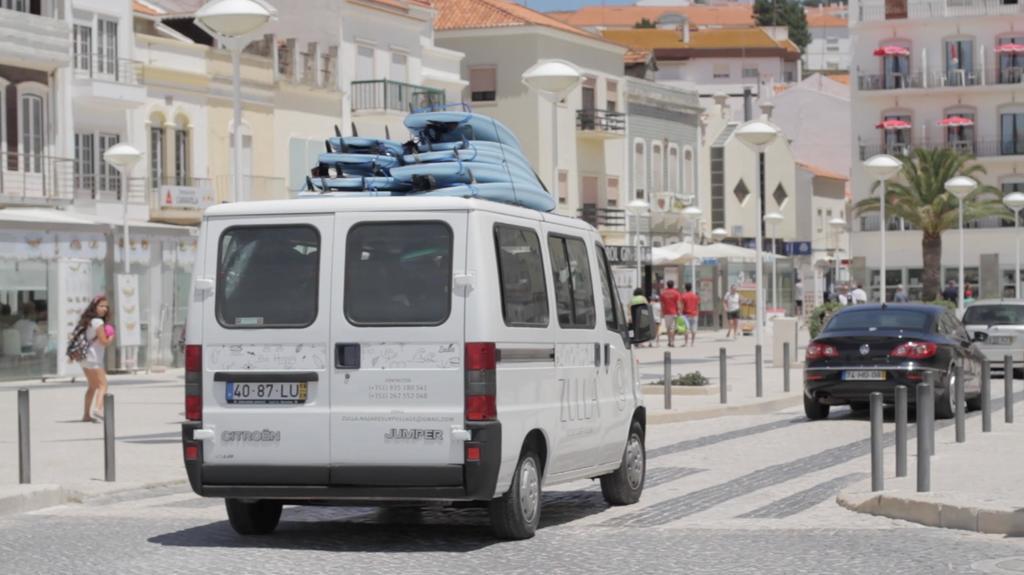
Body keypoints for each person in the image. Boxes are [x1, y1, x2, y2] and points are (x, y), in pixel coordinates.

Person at [72, 295, 114, 423]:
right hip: (94, 357)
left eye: (106, 306)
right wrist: (111, 335)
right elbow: (104, 341)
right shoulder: (98, 322)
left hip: (83, 357)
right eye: (101, 306)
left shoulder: (86, 320)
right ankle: (98, 409)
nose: (104, 309)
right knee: (103, 385)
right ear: (94, 307)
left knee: (92, 386)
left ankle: (86, 415)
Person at [659, 280, 683, 347]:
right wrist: (679, 311)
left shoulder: (663, 293)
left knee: (668, 328)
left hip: (666, 313)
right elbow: (678, 303)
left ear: (667, 285)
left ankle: (669, 341)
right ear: (673, 285)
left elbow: (662, 304)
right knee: (672, 328)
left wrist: (662, 313)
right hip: (674, 312)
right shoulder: (676, 293)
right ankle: (672, 342)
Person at [680, 282, 700, 347]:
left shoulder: (683, 296)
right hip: (694, 314)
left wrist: (680, 313)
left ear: (685, 288)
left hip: (686, 314)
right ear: (691, 288)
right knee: (693, 329)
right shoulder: (695, 296)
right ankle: (692, 343)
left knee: (686, 329)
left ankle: (686, 343)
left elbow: (682, 305)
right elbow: (698, 305)